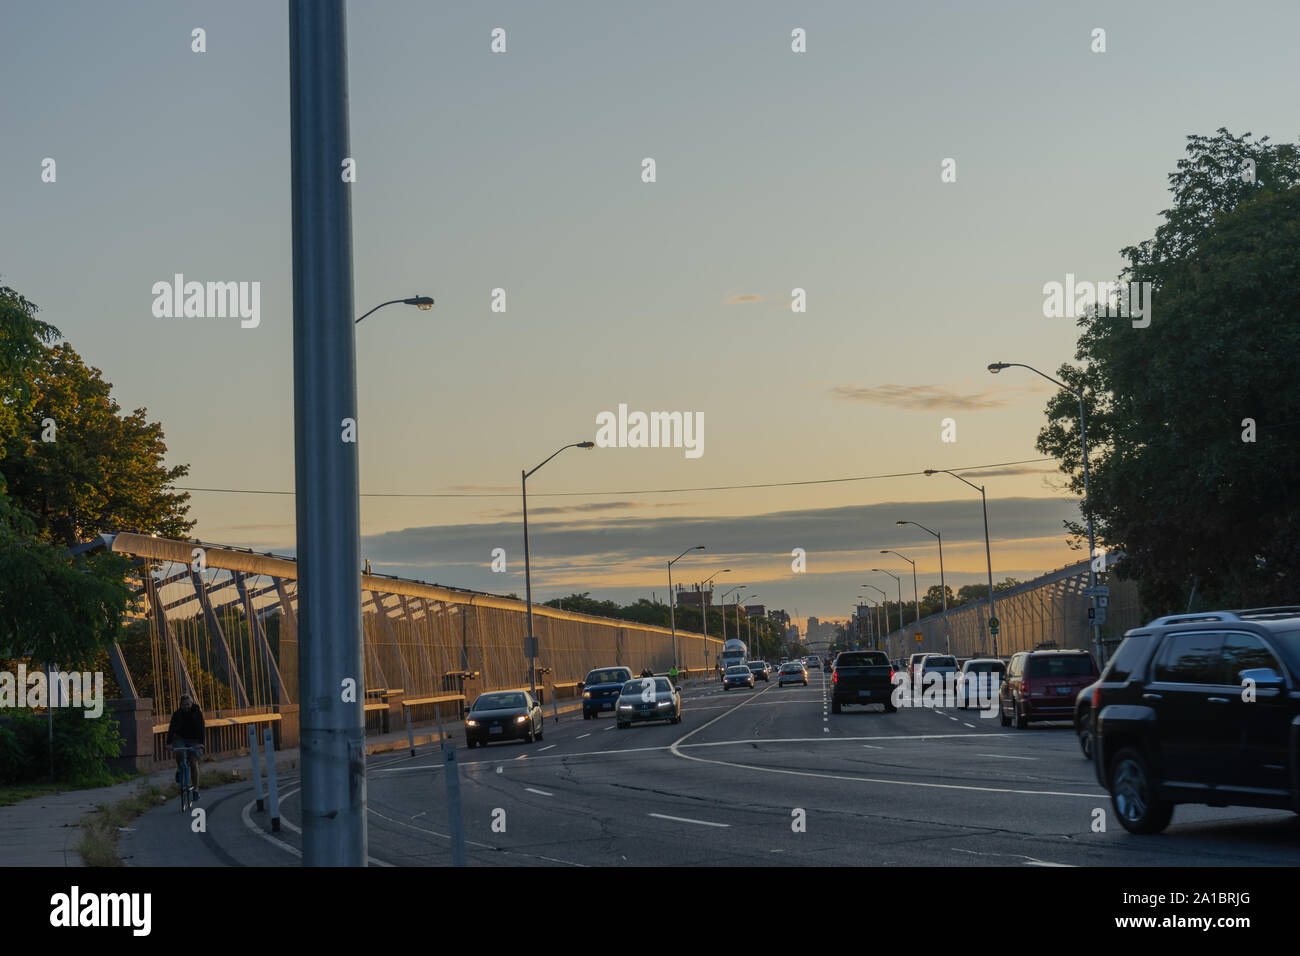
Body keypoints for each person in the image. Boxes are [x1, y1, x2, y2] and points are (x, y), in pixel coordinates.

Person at [167, 694, 205, 800]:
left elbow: (202, 728)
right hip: (180, 738)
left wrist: (201, 743)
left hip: (194, 740)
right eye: (183, 705)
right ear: (180, 705)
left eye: (188, 704)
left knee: (193, 762)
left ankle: (196, 790)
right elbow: (171, 729)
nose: (186, 707)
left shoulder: (197, 713)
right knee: (179, 751)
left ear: (192, 704)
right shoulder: (177, 714)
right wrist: (168, 743)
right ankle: (179, 769)